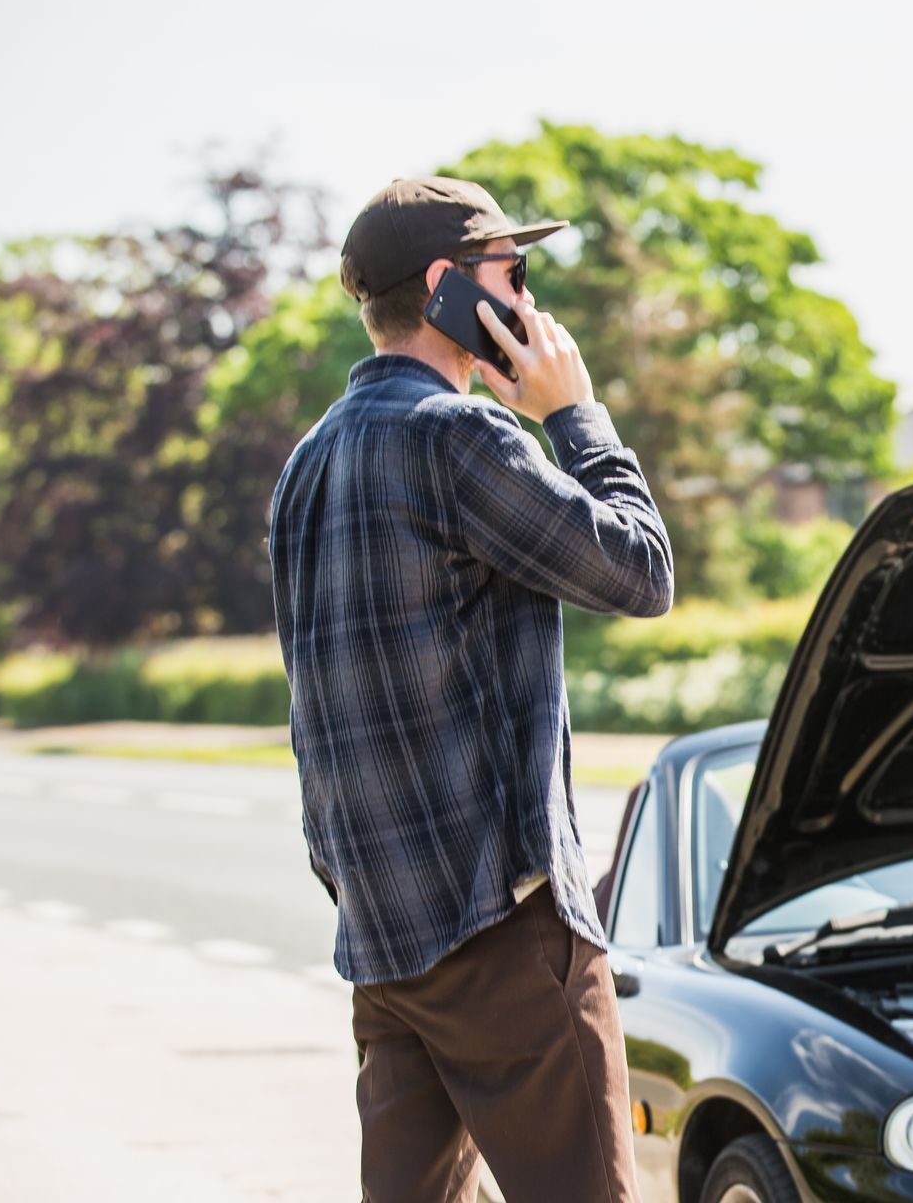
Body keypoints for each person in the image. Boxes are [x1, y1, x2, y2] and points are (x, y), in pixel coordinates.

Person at [267, 176, 671, 1203]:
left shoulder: (306, 466)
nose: (530, 303)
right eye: (512, 273)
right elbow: (640, 571)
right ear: (447, 288)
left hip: (385, 942)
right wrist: (573, 415)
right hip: (504, 934)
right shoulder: (460, 437)